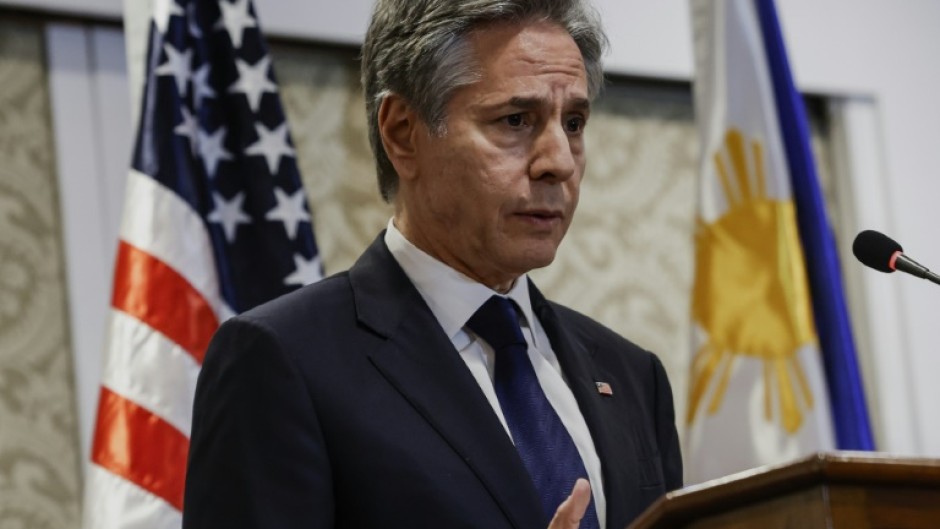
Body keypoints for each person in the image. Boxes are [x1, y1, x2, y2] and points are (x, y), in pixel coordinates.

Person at [182, 0, 682, 528]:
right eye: (516, 120)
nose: (559, 161)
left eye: (574, 122)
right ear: (402, 133)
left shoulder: (632, 377)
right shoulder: (284, 362)